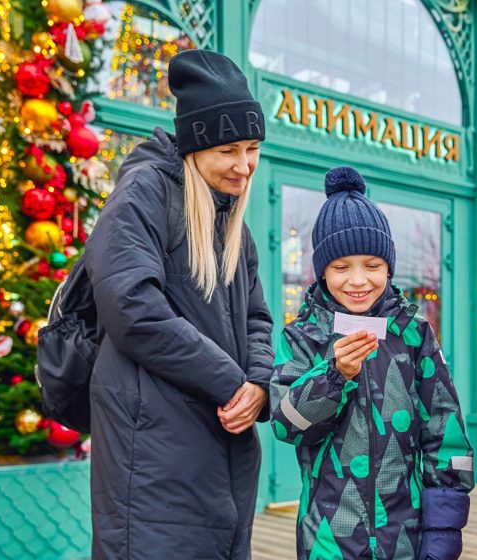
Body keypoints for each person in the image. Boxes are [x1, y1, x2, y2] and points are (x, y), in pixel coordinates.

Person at [83, 49, 274, 559]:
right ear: (195, 147)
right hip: (152, 451)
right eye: (228, 149)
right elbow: (132, 308)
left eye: (252, 147)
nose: (244, 165)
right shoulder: (143, 194)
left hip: (219, 445)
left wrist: (258, 383)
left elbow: (258, 317)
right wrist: (232, 382)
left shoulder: (233, 223)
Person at [269, 166, 475, 560]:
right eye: (341, 267)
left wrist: (443, 535)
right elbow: (286, 425)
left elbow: (445, 437)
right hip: (328, 541)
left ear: (389, 267)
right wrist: (333, 376)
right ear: (322, 271)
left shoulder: (414, 333)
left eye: (373, 265)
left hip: (407, 539)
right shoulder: (301, 337)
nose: (358, 280)